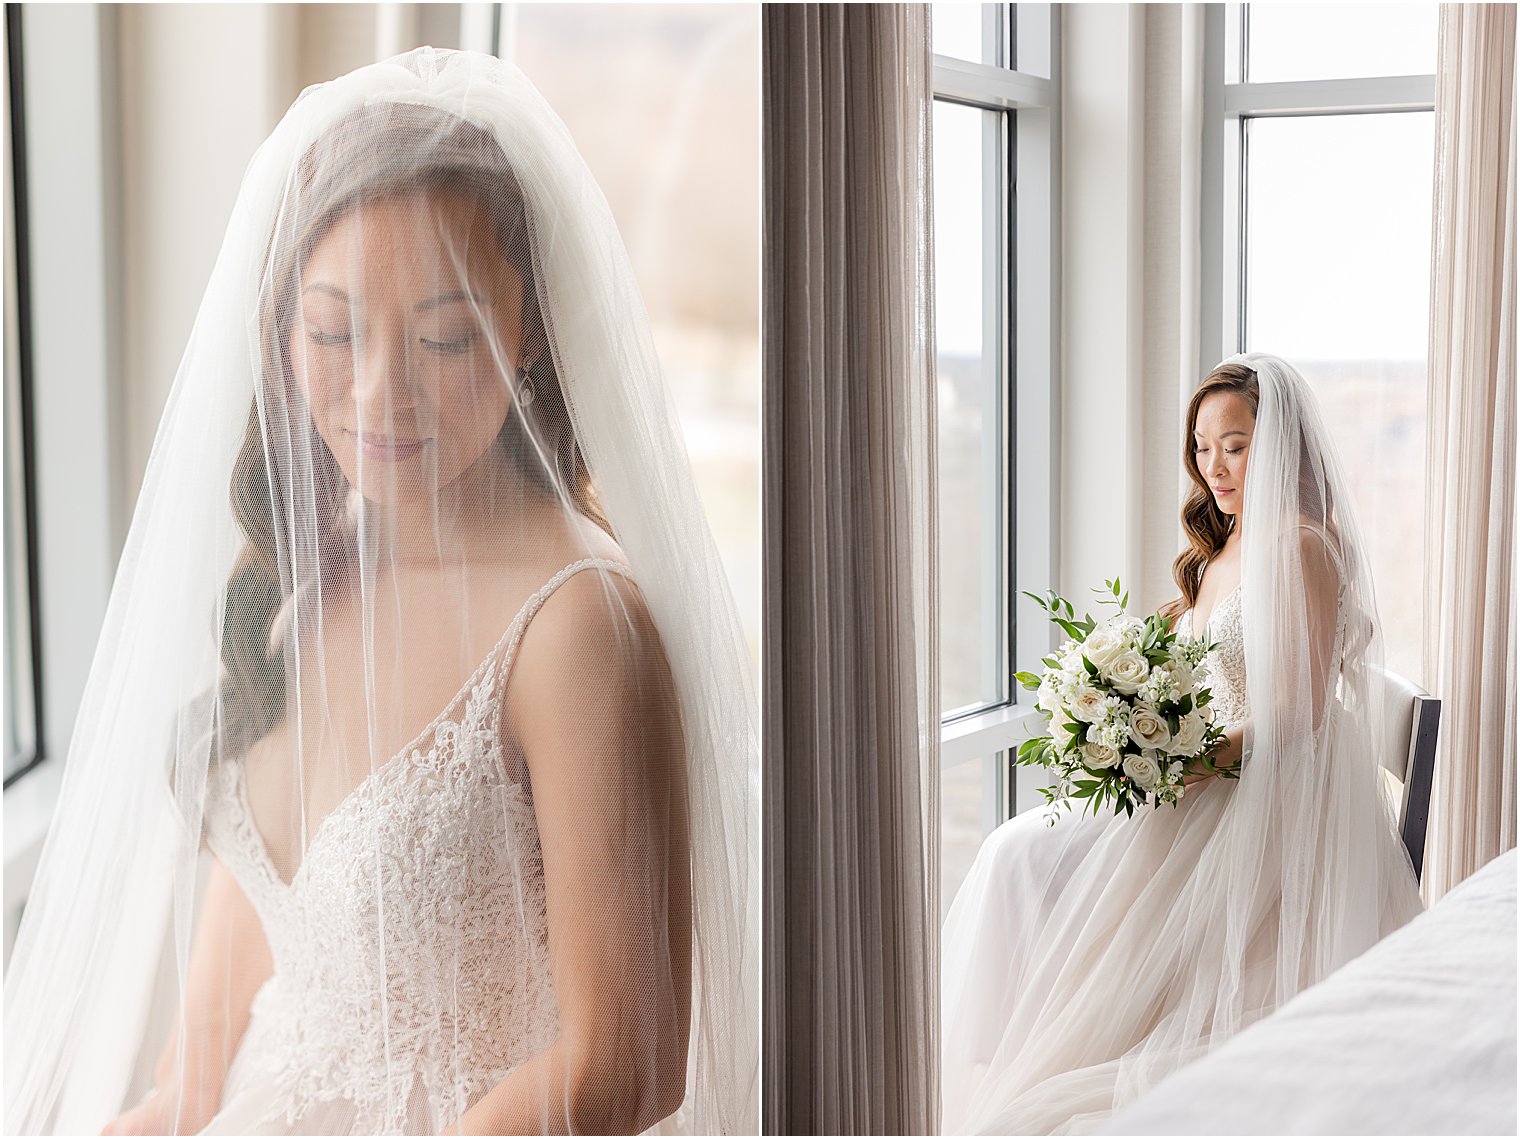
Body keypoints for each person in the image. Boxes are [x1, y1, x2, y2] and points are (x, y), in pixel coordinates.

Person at [3, 48, 757, 1136]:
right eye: (330, 331)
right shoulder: (306, 574)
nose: (375, 393)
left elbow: (625, 1061)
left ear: (531, 331)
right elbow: (222, 1018)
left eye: (444, 337)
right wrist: (166, 1108)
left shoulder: (577, 625)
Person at [940, 353, 1423, 1135]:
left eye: (1235, 444)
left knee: (1023, 855)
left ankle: (1044, 1048)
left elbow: (1294, 712)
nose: (1215, 465)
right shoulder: (1223, 543)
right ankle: (1018, 1044)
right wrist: (1118, 708)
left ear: (1282, 447)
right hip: (1208, 772)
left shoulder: (1302, 545)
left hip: (1266, 790)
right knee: (1014, 851)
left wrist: (1185, 765)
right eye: (1203, 445)